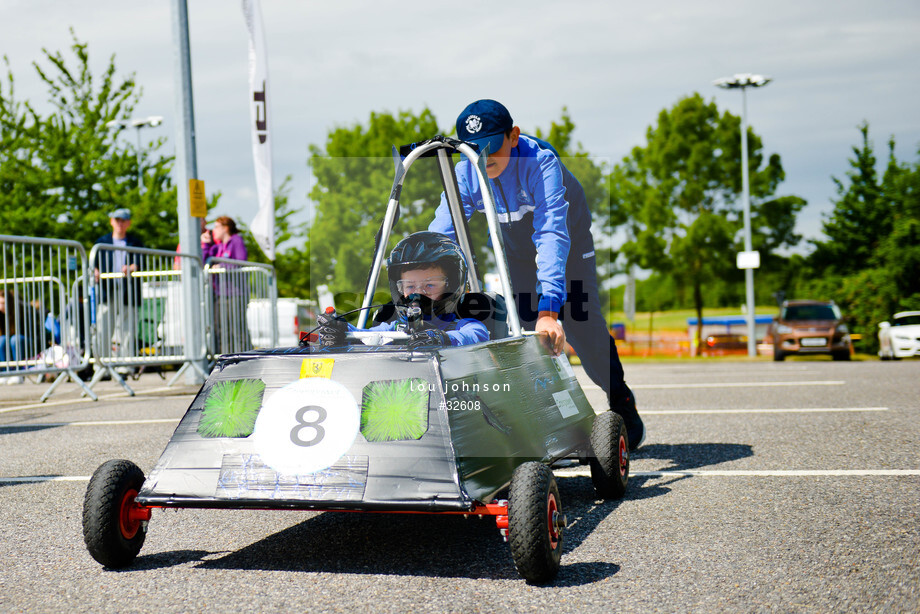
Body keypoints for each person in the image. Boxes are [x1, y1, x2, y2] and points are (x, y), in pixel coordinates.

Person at [429, 99, 645, 449]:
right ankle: (543, 418)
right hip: (516, 251)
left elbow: (551, 235)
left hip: (567, 246)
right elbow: (443, 232)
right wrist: (423, 284)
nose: (485, 160)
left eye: (491, 149)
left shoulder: (541, 163)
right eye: (474, 151)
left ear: (513, 136)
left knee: (582, 325)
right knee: (523, 331)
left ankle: (620, 399)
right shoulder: (467, 171)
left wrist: (550, 310)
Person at [315, 232, 489, 349]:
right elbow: (367, 335)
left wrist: (442, 338)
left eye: (429, 285)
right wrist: (340, 330)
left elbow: (475, 336)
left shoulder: (465, 325)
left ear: (451, 286)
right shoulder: (396, 327)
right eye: (410, 286)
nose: (419, 293)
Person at [93, 208, 144, 366]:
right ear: (111, 221)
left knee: (128, 330)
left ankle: (125, 365)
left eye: (123, 220)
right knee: (103, 328)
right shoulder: (101, 242)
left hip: (129, 291)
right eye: (117, 220)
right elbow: (93, 265)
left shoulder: (136, 243)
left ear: (128, 223)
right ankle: (102, 366)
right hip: (107, 291)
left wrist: (134, 267)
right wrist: (95, 272)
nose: (120, 224)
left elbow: (142, 262)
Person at [201, 216, 250, 353]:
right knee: (223, 330)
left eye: (216, 226)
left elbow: (241, 261)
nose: (213, 230)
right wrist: (205, 245)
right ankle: (227, 361)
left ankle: (247, 362)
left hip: (236, 293)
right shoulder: (219, 246)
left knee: (238, 330)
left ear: (225, 228)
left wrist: (222, 266)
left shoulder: (236, 241)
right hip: (221, 294)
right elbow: (205, 261)